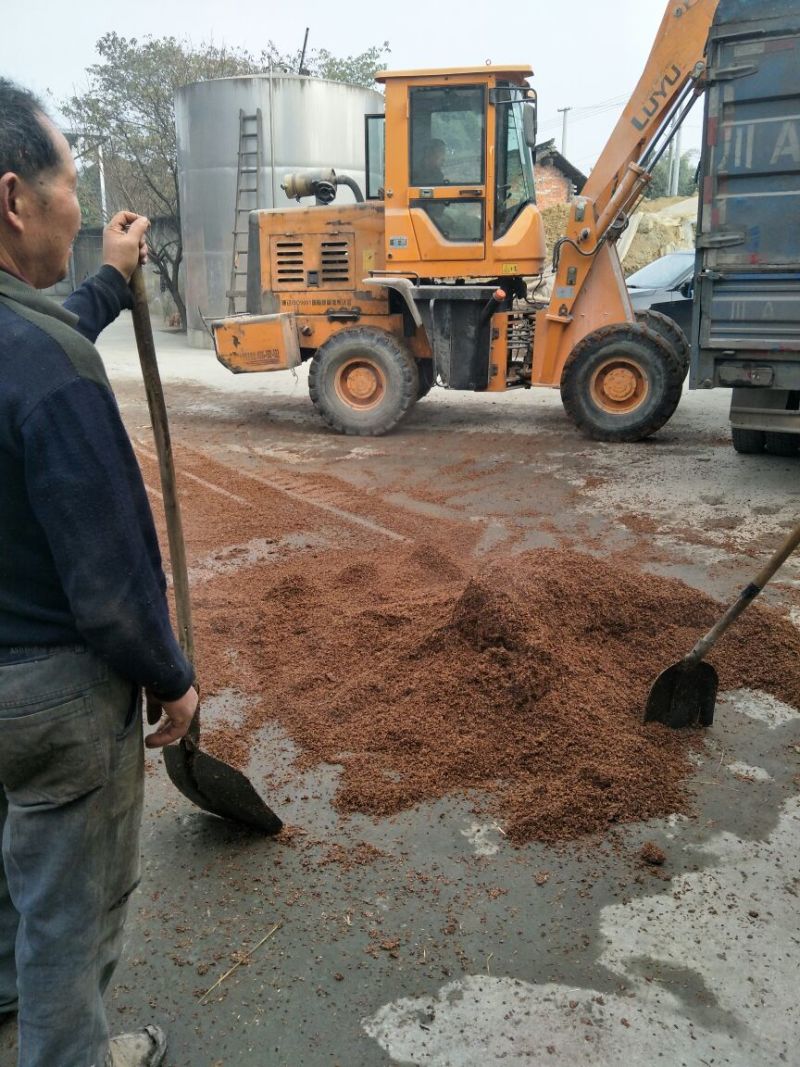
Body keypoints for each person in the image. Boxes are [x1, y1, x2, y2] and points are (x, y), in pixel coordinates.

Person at [0, 80, 199, 1067]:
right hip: (48, 694)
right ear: (13, 199)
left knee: (14, 863)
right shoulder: (51, 373)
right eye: (70, 180)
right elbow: (113, 579)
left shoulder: (33, 347)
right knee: (70, 913)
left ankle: (7, 1002)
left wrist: (111, 283)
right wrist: (172, 675)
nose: (77, 205)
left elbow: (31, 339)